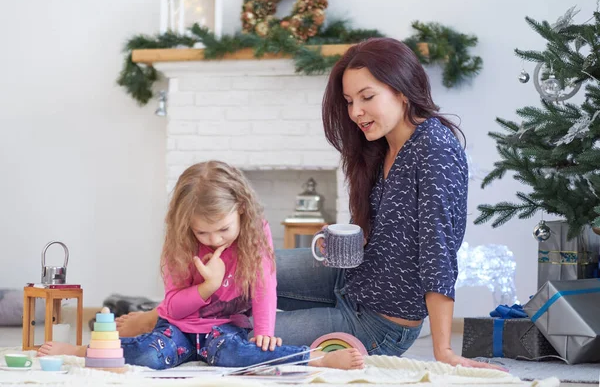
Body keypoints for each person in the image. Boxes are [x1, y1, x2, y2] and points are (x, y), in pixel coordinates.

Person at [76, 37, 502, 371]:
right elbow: (381, 237)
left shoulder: (435, 151)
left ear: (403, 90)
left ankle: (152, 324)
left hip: (378, 322)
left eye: (367, 97)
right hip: (348, 278)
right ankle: (162, 316)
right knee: (246, 268)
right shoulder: (381, 146)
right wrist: (334, 242)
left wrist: (444, 348)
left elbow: (438, 252)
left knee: (234, 338)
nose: (355, 112)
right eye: (350, 101)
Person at [38, 161, 364, 371]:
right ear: (186, 225)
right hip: (178, 327)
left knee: (241, 355)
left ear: (241, 210)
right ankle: (83, 349)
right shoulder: (179, 243)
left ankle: (317, 358)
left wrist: (264, 332)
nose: (213, 239)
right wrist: (207, 287)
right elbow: (175, 308)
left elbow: (265, 283)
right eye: (202, 232)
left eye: (223, 229)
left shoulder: (255, 231)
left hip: (224, 329)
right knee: (150, 355)